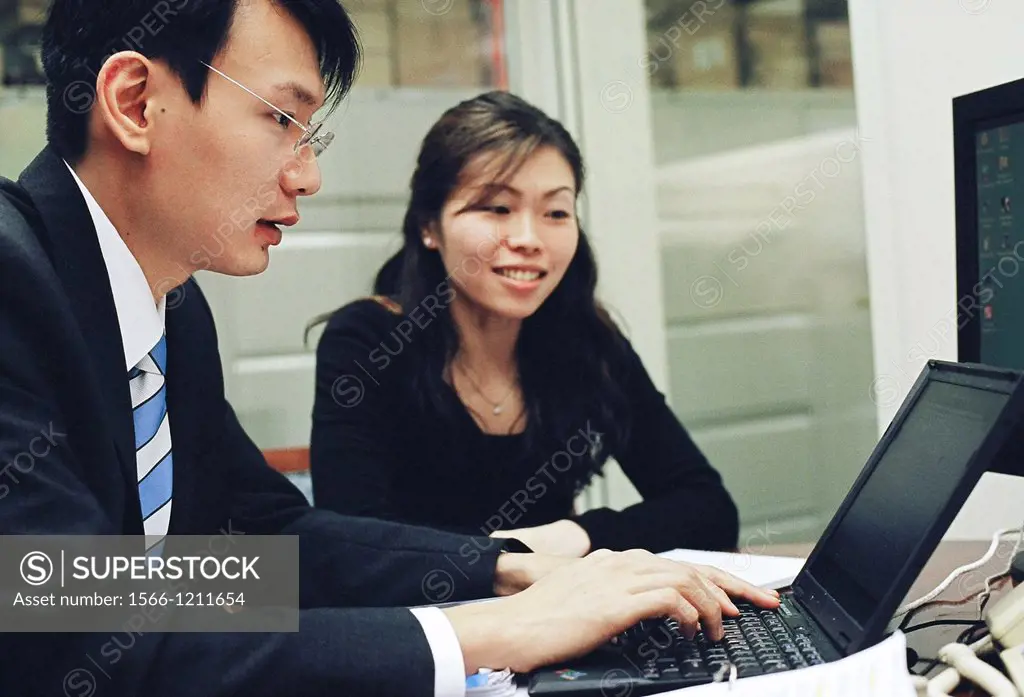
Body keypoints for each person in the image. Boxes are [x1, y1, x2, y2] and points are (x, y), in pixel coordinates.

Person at [0, 1, 778, 695]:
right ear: (136, 102)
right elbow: (74, 617)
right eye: (281, 119)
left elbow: (262, 546)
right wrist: (496, 629)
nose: (308, 175)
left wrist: (508, 568)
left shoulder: (172, 313)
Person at [308, 91, 739, 557]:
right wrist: (506, 558)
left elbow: (708, 509)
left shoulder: (588, 343)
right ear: (429, 227)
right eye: (497, 209)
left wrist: (575, 536)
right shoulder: (368, 341)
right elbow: (353, 547)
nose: (530, 240)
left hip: (561, 620)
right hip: (429, 625)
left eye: (556, 212)